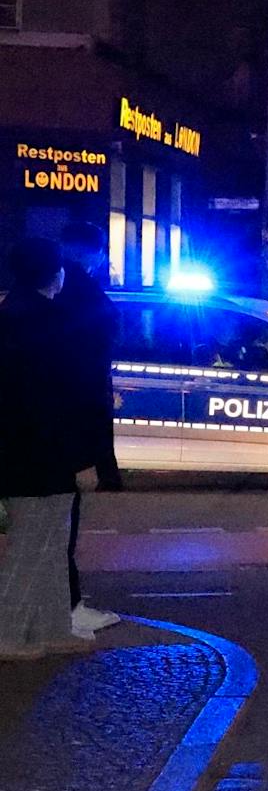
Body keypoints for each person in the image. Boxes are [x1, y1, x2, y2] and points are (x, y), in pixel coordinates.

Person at [0, 237, 98, 660]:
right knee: (36, 544)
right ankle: (11, 632)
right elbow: (63, 399)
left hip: (18, 450)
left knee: (44, 542)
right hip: (46, 454)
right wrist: (82, 458)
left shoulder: (10, 315)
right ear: (55, 274)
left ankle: (51, 627)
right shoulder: (54, 323)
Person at [57, 221, 122, 638]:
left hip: (41, 435)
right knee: (62, 524)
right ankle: (68, 608)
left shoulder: (46, 298)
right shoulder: (87, 301)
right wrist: (88, 457)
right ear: (95, 253)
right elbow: (86, 384)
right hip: (69, 437)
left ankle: (63, 605)